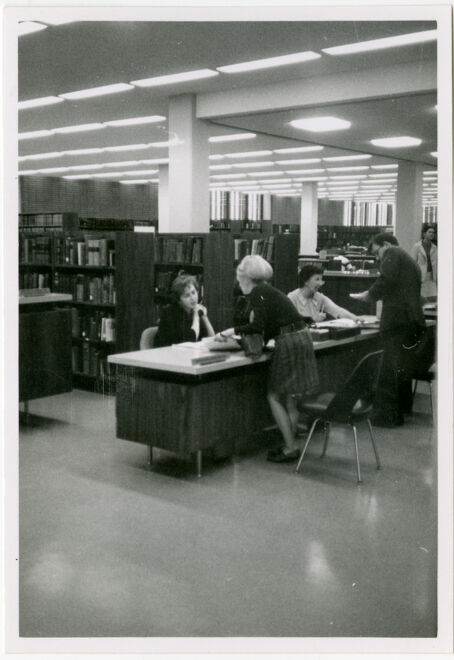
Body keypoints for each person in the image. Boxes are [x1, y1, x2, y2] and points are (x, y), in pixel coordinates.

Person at [215, 255, 319, 463]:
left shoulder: (257, 292)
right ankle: (292, 443)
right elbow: (273, 323)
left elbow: (258, 326)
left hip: (289, 341)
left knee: (274, 395)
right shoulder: (270, 290)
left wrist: (230, 331)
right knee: (290, 397)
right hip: (301, 337)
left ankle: (290, 448)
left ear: (244, 277)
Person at [350, 233, 426, 427]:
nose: (377, 258)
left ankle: (387, 417)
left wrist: (368, 295)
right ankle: (401, 411)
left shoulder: (392, 252)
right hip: (412, 321)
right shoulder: (411, 261)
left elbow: (386, 279)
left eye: (377, 253)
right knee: (402, 368)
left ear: (385, 245)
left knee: (388, 368)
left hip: (396, 320)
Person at [154, 272, 215, 348]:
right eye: (187, 295)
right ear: (179, 300)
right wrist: (196, 317)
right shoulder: (170, 313)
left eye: (193, 292)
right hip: (167, 355)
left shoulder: (194, 310)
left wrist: (204, 317)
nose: (192, 298)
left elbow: (212, 339)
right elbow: (190, 341)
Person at [288, 265, 359, 323]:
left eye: (321, 279)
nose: (320, 283)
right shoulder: (291, 298)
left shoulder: (319, 297)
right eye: (317, 279)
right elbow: (293, 323)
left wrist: (354, 318)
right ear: (306, 281)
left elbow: (337, 310)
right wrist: (314, 320)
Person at [411, 224, 437, 298]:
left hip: (431, 275)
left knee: (431, 297)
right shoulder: (417, 246)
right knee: (422, 297)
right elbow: (413, 262)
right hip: (421, 275)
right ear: (424, 234)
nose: (432, 234)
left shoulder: (435, 247)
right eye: (430, 232)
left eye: (433, 232)